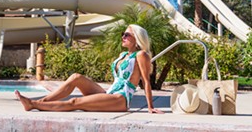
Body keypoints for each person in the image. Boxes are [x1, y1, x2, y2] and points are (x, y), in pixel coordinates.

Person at [15, 24, 162, 113]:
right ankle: (42, 101)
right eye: (122, 34)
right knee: (76, 77)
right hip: (110, 92)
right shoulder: (123, 54)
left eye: (126, 35)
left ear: (136, 38)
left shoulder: (141, 55)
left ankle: (34, 104)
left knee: (75, 103)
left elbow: (146, 81)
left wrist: (150, 107)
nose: (123, 37)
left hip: (121, 98)